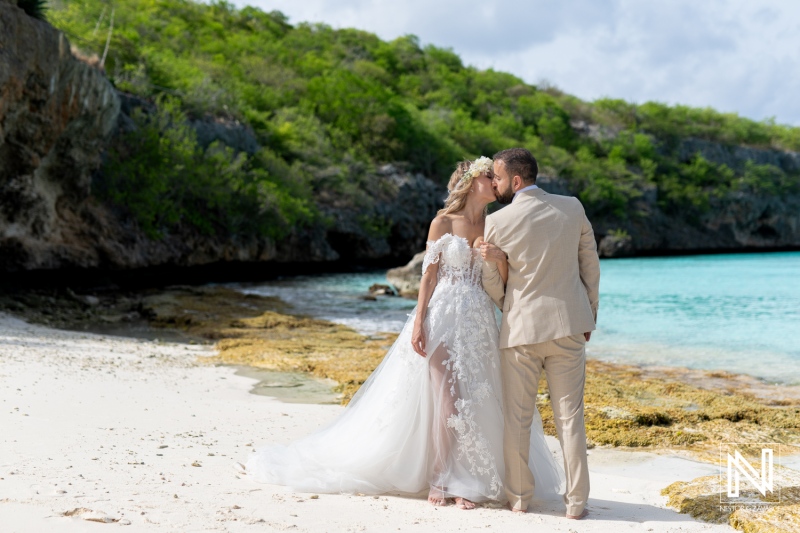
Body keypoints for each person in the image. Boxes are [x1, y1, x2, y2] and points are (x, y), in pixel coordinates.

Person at [245, 157, 564, 510]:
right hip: (442, 316)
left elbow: (502, 279)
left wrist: (499, 259)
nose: (497, 184)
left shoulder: (494, 225)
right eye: (491, 177)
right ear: (475, 182)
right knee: (447, 400)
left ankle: (466, 482)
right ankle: (441, 479)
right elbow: (428, 276)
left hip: (479, 321)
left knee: (476, 399)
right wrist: (419, 321)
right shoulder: (442, 222)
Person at [481, 148, 600, 520]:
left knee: (517, 420)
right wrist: (589, 315)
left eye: (498, 178)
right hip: (568, 326)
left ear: (516, 181)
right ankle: (576, 503)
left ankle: (519, 499)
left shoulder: (497, 222)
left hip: (520, 331)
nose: (495, 184)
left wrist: (508, 306)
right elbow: (590, 264)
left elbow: (490, 278)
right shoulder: (572, 207)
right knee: (570, 419)